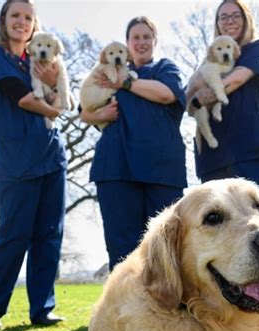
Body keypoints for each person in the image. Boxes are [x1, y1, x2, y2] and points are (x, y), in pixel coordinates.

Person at [0, 0, 67, 330]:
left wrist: (55, 85)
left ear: (34, 24)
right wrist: (54, 106)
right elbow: (25, 98)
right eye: (15, 15)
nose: (22, 21)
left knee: (50, 234)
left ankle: (42, 309)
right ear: (4, 19)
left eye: (28, 17)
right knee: (13, 235)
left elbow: (59, 94)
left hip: (52, 157)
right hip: (17, 160)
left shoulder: (41, 59)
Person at [80, 17, 187, 270]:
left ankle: (171, 305)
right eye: (135, 37)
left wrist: (124, 83)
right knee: (122, 247)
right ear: (127, 44)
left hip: (161, 171)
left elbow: (167, 94)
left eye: (146, 37)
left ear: (154, 41)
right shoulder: (107, 72)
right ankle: (125, 306)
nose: (141, 42)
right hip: (116, 167)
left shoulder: (164, 68)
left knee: (166, 244)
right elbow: (84, 109)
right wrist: (96, 116)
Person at [189, 0, 259, 200]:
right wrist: (194, 100)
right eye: (224, 17)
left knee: (257, 218)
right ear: (217, 23)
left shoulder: (256, 50)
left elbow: (235, 79)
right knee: (216, 225)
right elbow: (188, 96)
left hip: (247, 149)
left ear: (246, 20)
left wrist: (198, 98)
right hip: (211, 156)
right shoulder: (208, 59)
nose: (230, 21)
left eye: (236, 15)